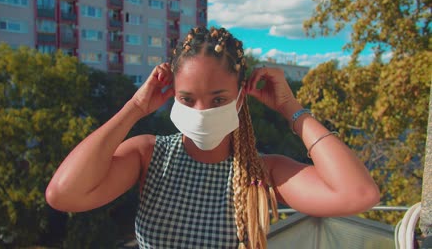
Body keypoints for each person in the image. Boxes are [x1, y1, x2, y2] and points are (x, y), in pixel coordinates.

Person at [45, 27, 380, 248]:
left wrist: (291, 108)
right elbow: (64, 194)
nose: (202, 111)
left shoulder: (263, 173)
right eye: (187, 99)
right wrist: (134, 107)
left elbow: (358, 194)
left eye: (218, 99)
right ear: (172, 95)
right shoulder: (149, 156)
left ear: (240, 98)